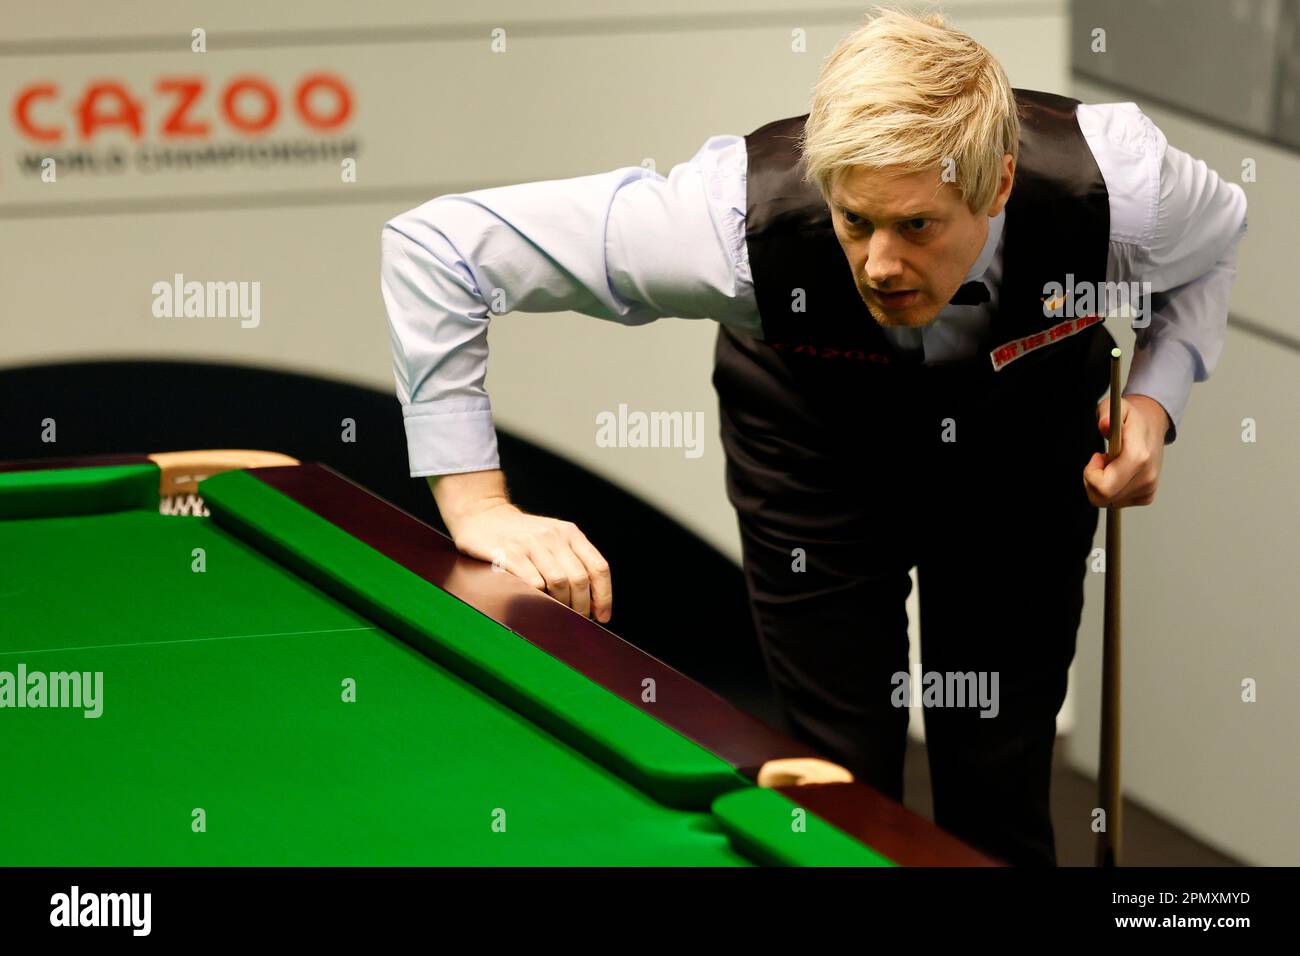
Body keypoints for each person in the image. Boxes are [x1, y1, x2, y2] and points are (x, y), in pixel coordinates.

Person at [379, 8, 1246, 864]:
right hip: (812, 450)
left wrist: (1156, 397)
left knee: (1000, 771)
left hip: (1018, 451)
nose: (878, 265)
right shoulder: (725, 225)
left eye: (917, 227)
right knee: (837, 781)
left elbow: (1215, 247)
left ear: (1001, 185)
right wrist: (478, 503)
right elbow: (437, 249)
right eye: (854, 221)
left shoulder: (1125, 191)